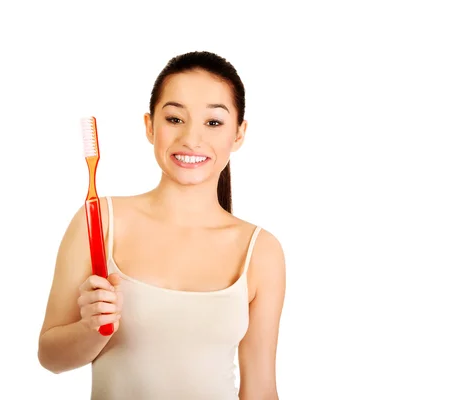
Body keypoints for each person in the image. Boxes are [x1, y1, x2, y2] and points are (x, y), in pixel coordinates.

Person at [37, 51, 286, 400]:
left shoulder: (260, 250)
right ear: (149, 126)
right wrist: (92, 330)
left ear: (239, 134)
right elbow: (50, 356)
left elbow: (260, 388)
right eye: (174, 118)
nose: (191, 139)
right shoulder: (99, 223)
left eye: (213, 122)